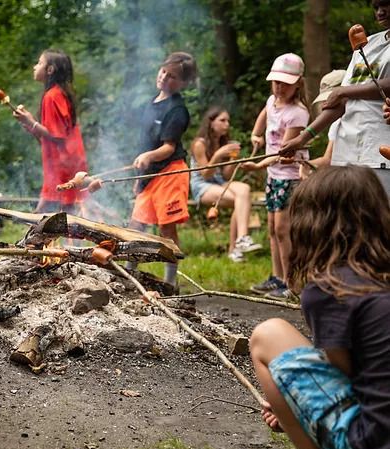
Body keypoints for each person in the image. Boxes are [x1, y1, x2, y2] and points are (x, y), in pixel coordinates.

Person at [250, 165, 390, 449]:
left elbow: (344, 378)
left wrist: (295, 403)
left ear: (311, 224)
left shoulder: (332, 288)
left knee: (268, 335)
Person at [282, 1, 390, 196]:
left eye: (386, 5)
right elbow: (339, 102)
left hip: (379, 152)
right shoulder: (367, 44)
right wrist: (303, 137)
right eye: (376, 7)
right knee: (349, 220)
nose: (380, 12)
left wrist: (345, 91)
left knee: (379, 219)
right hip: (346, 153)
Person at [123, 51, 197, 288]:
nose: (165, 77)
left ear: (183, 83)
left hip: (170, 172)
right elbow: (146, 142)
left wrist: (147, 156)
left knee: (166, 227)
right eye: (164, 71)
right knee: (136, 225)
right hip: (150, 175)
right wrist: (140, 178)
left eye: (173, 76)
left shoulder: (177, 110)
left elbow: (168, 148)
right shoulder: (151, 103)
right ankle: (127, 274)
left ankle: (170, 282)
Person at [242, 53, 309, 301]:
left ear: (298, 83)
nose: (279, 88)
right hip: (273, 175)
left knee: (283, 230)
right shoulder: (273, 101)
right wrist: (255, 135)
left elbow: (284, 152)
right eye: (276, 82)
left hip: (290, 175)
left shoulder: (298, 114)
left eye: (285, 83)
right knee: (272, 228)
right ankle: (277, 277)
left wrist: (257, 166)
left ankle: (292, 284)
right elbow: (263, 117)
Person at [13, 49, 87, 214]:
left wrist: (31, 122)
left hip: (62, 166)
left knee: (50, 214)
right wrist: (29, 123)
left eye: (39, 63)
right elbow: (48, 136)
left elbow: (58, 136)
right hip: (63, 163)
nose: (35, 67)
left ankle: (33, 238)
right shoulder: (57, 93)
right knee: (65, 213)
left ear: (50, 70)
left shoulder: (52, 96)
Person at [190, 107, 262, 262]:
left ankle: (241, 240)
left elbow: (226, 176)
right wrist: (218, 155)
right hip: (201, 185)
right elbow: (205, 174)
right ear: (211, 122)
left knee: (244, 189)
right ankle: (236, 247)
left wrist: (232, 160)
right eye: (222, 120)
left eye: (228, 120)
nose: (227, 124)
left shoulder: (222, 142)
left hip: (219, 182)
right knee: (241, 199)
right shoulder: (199, 144)